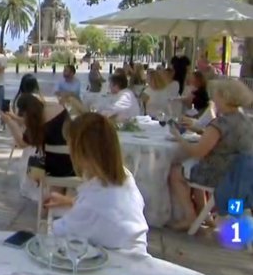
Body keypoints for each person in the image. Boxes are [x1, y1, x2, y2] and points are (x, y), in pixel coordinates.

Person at [45, 113, 149, 256]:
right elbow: (106, 213)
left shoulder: (94, 204)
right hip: (135, 256)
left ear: (82, 153)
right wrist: (72, 202)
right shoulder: (125, 178)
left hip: (118, 265)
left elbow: (56, 235)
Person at [167, 80, 253, 231]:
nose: (213, 100)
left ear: (224, 98)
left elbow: (197, 152)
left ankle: (189, 216)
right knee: (193, 166)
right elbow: (226, 140)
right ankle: (203, 213)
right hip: (241, 176)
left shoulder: (220, 123)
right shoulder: (246, 120)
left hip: (221, 175)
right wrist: (199, 129)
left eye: (216, 96)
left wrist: (178, 136)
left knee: (176, 171)